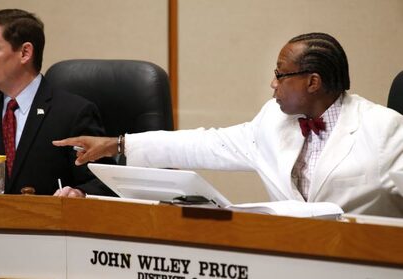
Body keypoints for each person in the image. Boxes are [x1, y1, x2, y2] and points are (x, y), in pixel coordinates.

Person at [53, 32, 403, 217]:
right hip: (292, 258)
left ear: (313, 82)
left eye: (280, 76)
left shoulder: (385, 129)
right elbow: (206, 144)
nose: (273, 84)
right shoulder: (273, 120)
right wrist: (119, 144)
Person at [0, 9, 116, 197]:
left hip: (50, 222)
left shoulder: (73, 113)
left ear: (25, 52)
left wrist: (78, 193)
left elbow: (103, 183)